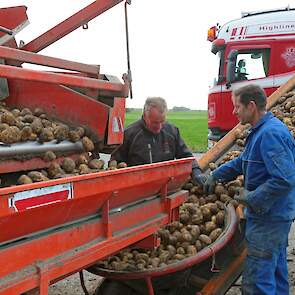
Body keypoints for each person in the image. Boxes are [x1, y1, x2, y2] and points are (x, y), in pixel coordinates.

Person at [203, 84, 295, 294]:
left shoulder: (270, 134)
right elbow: (244, 160)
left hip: (269, 217)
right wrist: (216, 175)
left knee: (258, 280)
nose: (234, 112)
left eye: (237, 107)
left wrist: (252, 197)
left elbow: (285, 179)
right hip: (273, 216)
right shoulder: (260, 131)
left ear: (251, 106)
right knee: (276, 271)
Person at [111, 96, 206, 187]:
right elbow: (115, 163)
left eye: (162, 121)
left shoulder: (172, 131)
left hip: (166, 186)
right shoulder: (130, 134)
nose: (159, 127)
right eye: (155, 122)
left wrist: (196, 170)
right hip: (136, 188)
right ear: (145, 115)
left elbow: (186, 156)